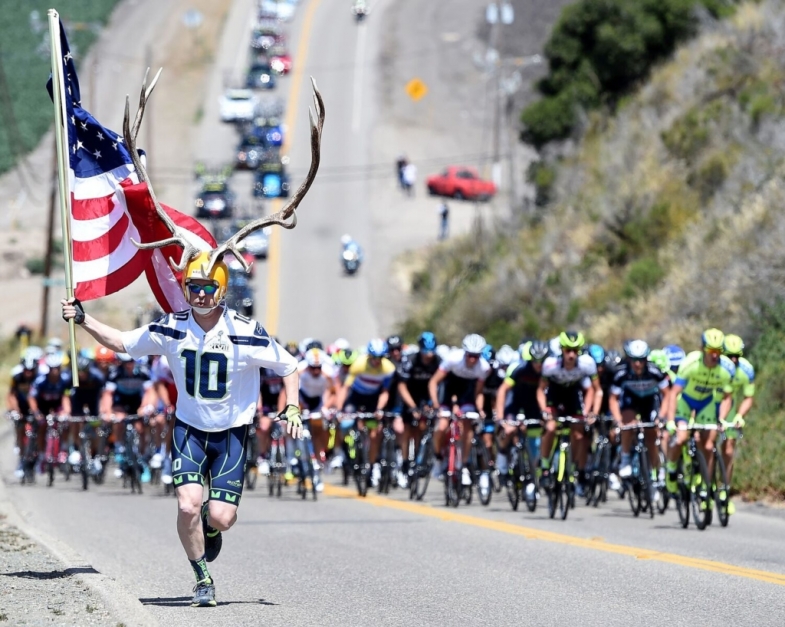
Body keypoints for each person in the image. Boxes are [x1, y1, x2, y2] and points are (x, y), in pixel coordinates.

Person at [61, 250, 302, 608]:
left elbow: (288, 366)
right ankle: (202, 577)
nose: (201, 294)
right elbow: (124, 343)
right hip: (189, 430)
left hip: (231, 434)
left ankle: (210, 523)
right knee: (187, 506)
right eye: (194, 286)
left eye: (208, 286)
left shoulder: (245, 330)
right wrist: (83, 318)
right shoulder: (172, 326)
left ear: (222, 289)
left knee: (221, 517)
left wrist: (293, 405)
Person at [664, 329, 734, 502]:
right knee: (680, 439)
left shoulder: (726, 369)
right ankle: (671, 470)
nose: (715, 355)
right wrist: (672, 420)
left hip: (706, 404)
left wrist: (722, 419)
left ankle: (705, 483)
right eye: (711, 351)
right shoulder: (690, 363)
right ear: (703, 349)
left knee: (709, 446)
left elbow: (727, 397)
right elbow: (674, 393)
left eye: (718, 351)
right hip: (686, 402)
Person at [537, 331, 601, 496]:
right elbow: (540, 390)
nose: (571, 354)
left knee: (579, 434)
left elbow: (597, 391)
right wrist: (544, 410)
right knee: (550, 427)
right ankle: (544, 467)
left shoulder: (587, 364)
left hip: (573, 395)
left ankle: (573, 468)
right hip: (554, 395)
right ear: (562, 350)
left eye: (575, 350)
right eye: (568, 350)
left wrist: (592, 412)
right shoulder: (550, 364)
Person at [608, 340, 668, 502]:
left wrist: (662, 417)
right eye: (634, 360)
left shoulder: (655, 371)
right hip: (631, 401)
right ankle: (625, 459)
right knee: (628, 425)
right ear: (628, 359)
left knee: (652, 435)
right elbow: (613, 399)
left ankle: (657, 471)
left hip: (649, 401)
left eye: (641, 360)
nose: (637, 364)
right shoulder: (621, 373)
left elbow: (667, 394)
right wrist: (618, 420)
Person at [428, 333, 490, 485]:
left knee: (467, 425)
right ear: (464, 352)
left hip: (466, 394)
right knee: (442, 426)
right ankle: (437, 457)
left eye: (476, 356)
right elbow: (433, 382)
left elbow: (478, 392)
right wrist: (436, 404)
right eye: (470, 355)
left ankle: (463, 465)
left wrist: (480, 409)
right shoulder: (453, 359)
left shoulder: (484, 367)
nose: (472, 359)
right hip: (448, 391)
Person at [718, 334, 754, 515]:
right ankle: (702, 484)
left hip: (729, 405)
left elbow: (748, 397)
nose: (733, 360)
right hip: (709, 403)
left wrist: (739, 415)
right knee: (705, 444)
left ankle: (724, 490)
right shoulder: (715, 366)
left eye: (736, 356)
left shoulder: (746, 369)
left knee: (729, 449)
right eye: (729, 355)